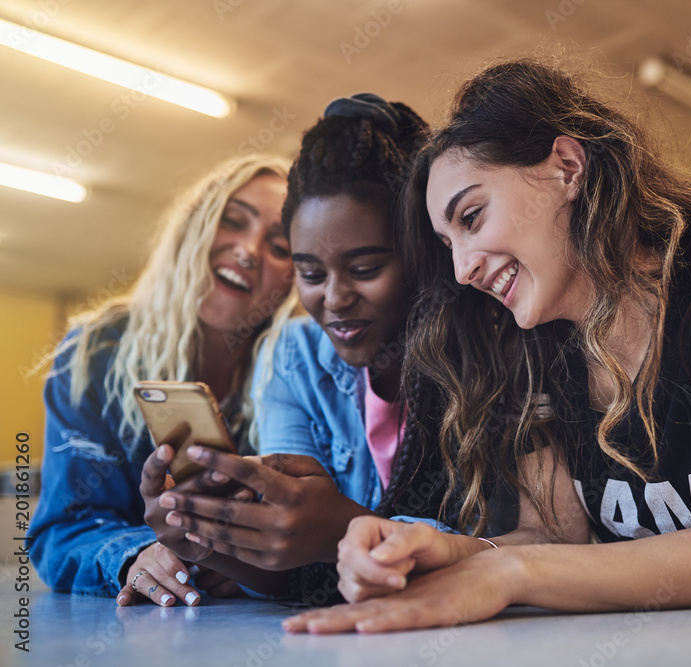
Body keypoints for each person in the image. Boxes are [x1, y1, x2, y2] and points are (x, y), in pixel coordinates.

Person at [282, 58, 691, 635]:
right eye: (447, 246)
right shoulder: (531, 340)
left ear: (567, 168)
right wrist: (446, 551)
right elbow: (557, 539)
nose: (464, 268)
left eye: (470, 218)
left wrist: (507, 574)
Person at [138, 94, 468, 602]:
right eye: (310, 274)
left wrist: (344, 528)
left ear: (423, 251)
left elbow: (510, 548)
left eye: (365, 269)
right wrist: (208, 536)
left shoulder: (482, 355)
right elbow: (288, 566)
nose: (334, 299)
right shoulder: (293, 357)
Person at [28, 155, 296, 606]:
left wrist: (251, 564)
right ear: (193, 230)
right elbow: (63, 527)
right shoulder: (94, 354)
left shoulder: (300, 375)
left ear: (296, 278)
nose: (249, 250)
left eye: (281, 245)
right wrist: (135, 555)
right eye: (232, 221)